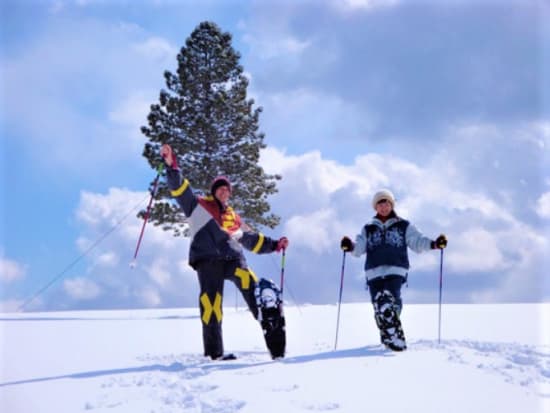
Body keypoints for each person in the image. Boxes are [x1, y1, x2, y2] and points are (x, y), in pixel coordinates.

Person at [160, 143, 289, 360]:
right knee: (211, 306)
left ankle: (271, 326)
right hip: (208, 261)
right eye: (220, 188)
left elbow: (249, 239)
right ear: (213, 191)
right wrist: (172, 166)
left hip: (233, 260)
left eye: (227, 189)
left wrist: (274, 245)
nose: (224, 191)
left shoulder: (233, 217)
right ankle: (214, 354)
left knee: (254, 289)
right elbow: (180, 190)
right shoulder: (197, 205)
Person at [340, 189, 447, 351]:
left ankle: (391, 321)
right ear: (375, 207)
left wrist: (434, 244)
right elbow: (359, 248)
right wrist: (350, 247)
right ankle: (387, 332)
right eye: (380, 204)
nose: (383, 207)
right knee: (378, 305)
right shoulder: (368, 228)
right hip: (373, 272)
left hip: (396, 268)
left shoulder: (403, 225)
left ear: (391, 205)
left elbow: (417, 242)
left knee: (389, 299)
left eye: (386, 203)